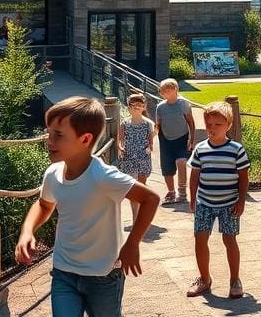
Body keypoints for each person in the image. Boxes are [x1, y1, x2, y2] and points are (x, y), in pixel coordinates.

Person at [15, 96, 160, 317]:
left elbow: (150, 199)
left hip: (104, 275)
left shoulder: (103, 177)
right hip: (64, 272)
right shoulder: (53, 173)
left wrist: (132, 244)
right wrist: (27, 232)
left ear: (85, 139)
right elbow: (44, 205)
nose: (49, 141)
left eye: (58, 135)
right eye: (48, 133)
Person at [186, 101, 250, 299]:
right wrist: (192, 197)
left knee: (229, 239)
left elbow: (243, 177)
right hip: (204, 202)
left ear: (228, 125)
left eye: (218, 124)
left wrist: (241, 201)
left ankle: (235, 280)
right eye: (209, 124)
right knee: (200, 238)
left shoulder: (236, 150)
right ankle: (204, 279)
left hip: (229, 203)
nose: (212, 128)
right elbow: (195, 175)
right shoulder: (200, 149)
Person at [116, 92, 155, 225]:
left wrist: (149, 147)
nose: (136, 107)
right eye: (133, 105)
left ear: (144, 107)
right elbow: (120, 140)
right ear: (129, 107)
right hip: (129, 158)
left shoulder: (148, 123)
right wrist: (121, 148)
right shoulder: (125, 123)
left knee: (141, 186)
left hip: (143, 158)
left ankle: (141, 215)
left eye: (139, 105)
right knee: (133, 188)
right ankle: (135, 218)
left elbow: (150, 141)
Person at [155, 77, 196, 204]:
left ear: (175, 89)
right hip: (165, 140)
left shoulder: (183, 104)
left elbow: (190, 122)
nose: (163, 92)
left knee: (181, 161)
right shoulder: (160, 107)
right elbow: (158, 125)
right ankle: (171, 192)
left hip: (182, 138)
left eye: (166, 90)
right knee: (167, 168)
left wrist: (191, 139)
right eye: (161, 90)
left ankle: (182, 193)